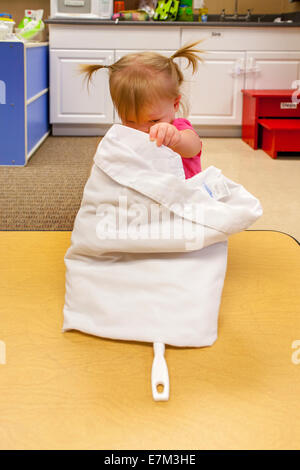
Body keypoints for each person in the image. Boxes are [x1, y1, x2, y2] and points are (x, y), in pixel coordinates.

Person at [79, 40, 205, 179]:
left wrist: (177, 139)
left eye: (154, 120)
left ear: (175, 104)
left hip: (185, 193)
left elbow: (194, 147)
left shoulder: (178, 128)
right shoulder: (126, 132)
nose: (142, 129)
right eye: (130, 120)